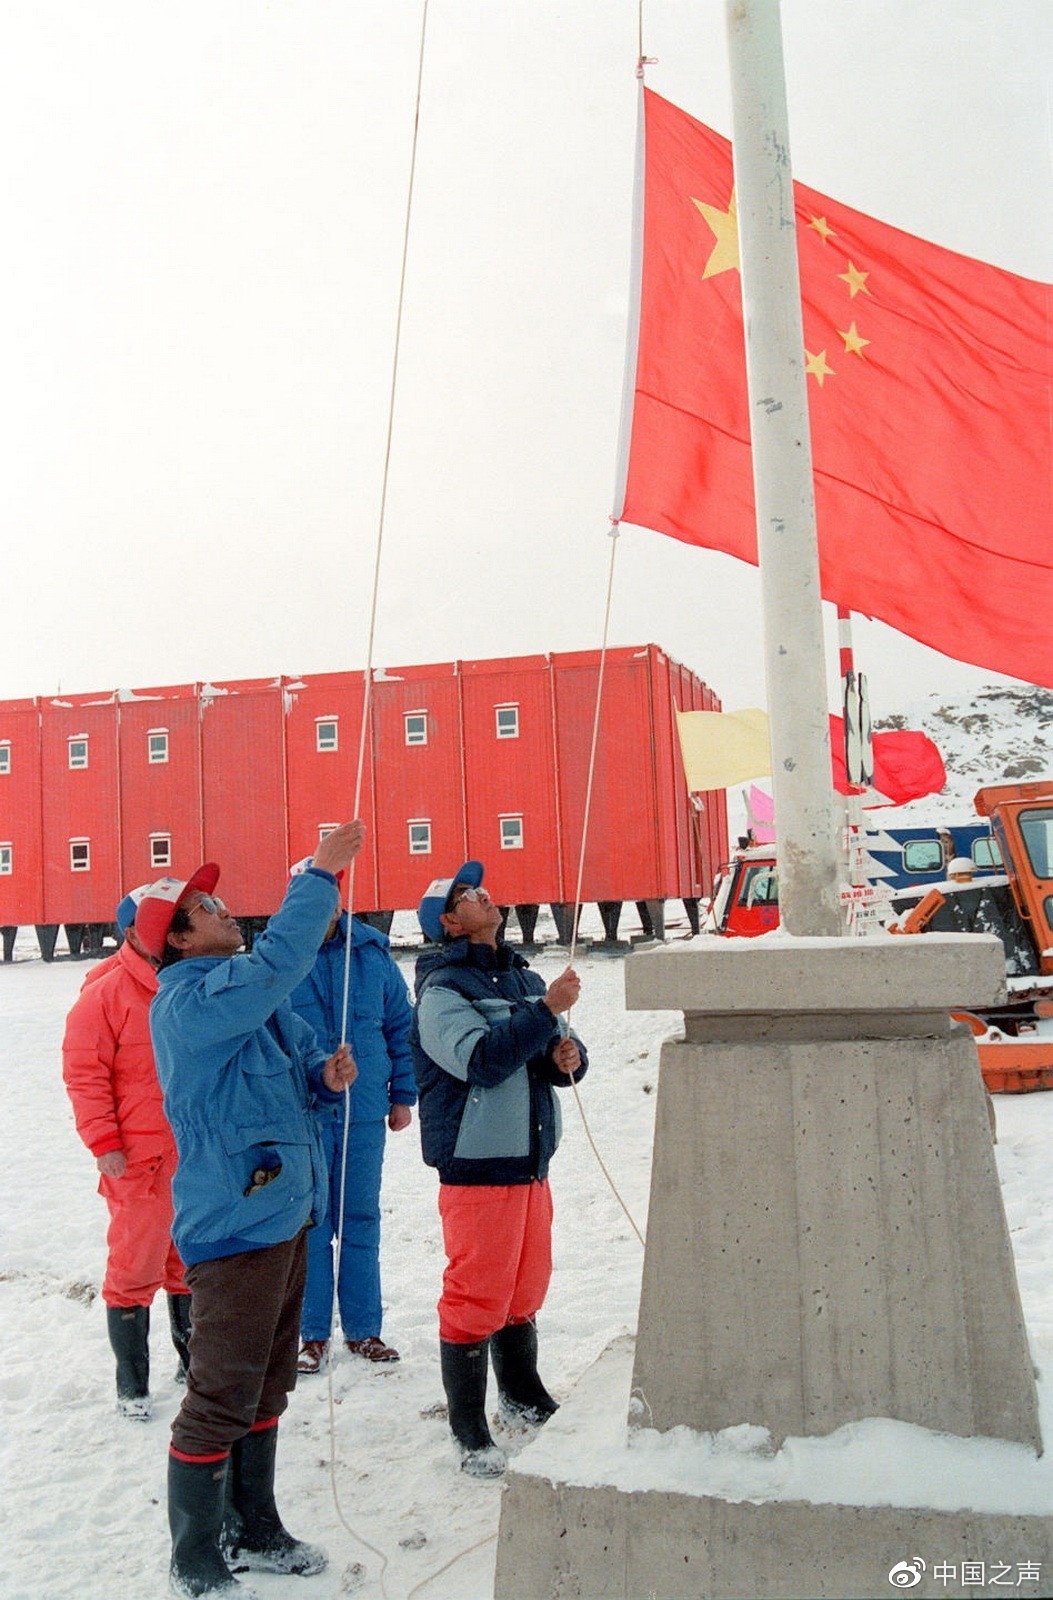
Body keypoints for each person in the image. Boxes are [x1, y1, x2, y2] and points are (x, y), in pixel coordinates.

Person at [139, 823, 363, 1600]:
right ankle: (195, 1556)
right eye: (206, 908)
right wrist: (320, 877)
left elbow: (293, 1061)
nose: (227, 910)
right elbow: (279, 964)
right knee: (219, 1395)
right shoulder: (190, 1004)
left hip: (284, 1212)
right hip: (234, 1225)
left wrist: (323, 1077)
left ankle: (255, 1527)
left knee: (267, 1385)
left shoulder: (244, 1004)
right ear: (175, 940)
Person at [409, 860, 587, 1478]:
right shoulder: (441, 991)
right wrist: (544, 1014)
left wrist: (568, 1054)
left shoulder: (521, 975)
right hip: (478, 1163)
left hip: (531, 1158)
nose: (484, 894)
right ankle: (469, 1427)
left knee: (523, 1287)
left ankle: (522, 1390)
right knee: (476, 1295)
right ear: (451, 923)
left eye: (480, 887)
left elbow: (539, 1056)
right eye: (468, 894)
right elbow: (481, 1061)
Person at [61, 885, 192, 1420]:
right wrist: (105, 1143)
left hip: (189, 1154)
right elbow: (84, 1076)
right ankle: (132, 1383)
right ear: (133, 932)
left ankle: (192, 1363)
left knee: (189, 1263)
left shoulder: (183, 982)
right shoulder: (105, 994)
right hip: (138, 1161)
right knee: (135, 1268)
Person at [287, 859, 416, 1374]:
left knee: (361, 1218)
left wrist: (402, 1095)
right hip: (308, 1114)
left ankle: (364, 1329)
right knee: (313, 1223)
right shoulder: (284, 956)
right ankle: (312, 1333)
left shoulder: (371, 953)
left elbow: (399, 1027)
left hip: (364, 1112)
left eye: (330, 894)